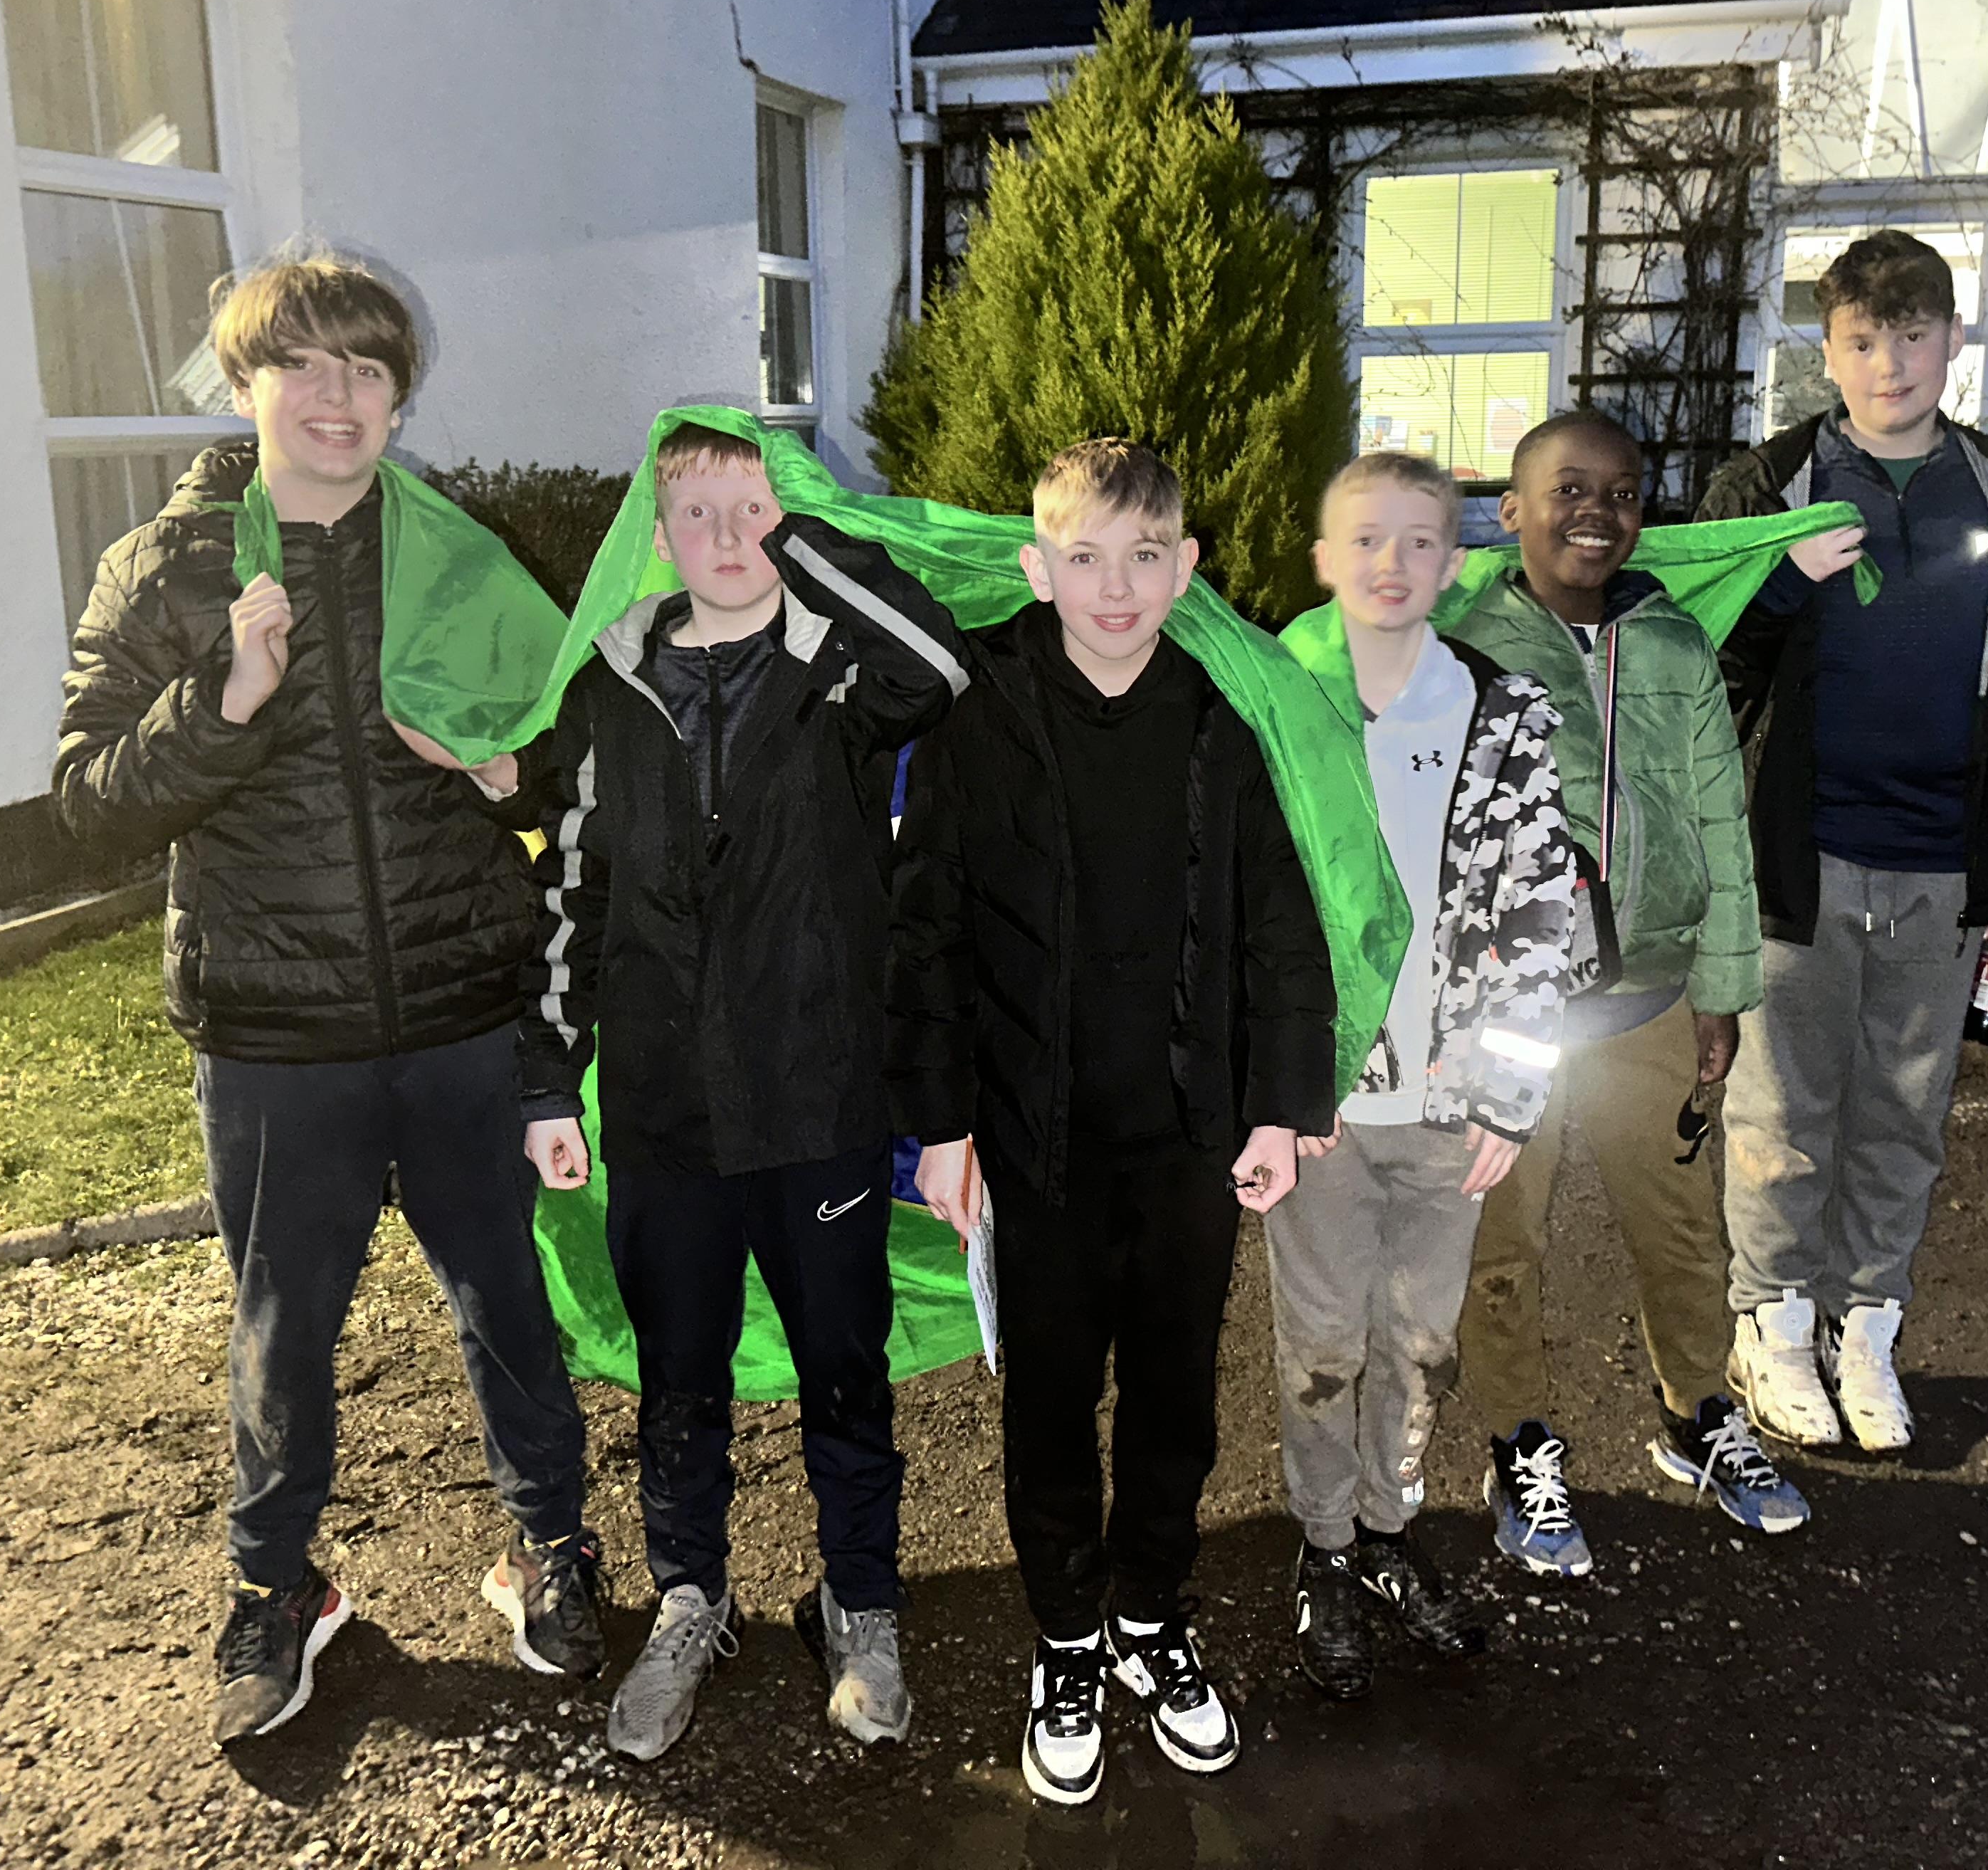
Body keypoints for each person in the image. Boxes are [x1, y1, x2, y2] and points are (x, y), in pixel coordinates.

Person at [52, 249, 598, 1743]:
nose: (337, 395)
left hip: (463, 1013)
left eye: (367, 367)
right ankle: (276, 1582)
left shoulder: (458, 558)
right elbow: (88, 801)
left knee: (509, 1305)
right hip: (275, 1036)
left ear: (399, 396)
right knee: (282, 1331)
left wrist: (510, 769)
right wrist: (222, 702)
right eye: (301, 363)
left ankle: (551, 1544)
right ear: (245, 384)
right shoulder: (168, 571)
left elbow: (568, 753)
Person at [519, 421, 969, 1761]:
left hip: (817, 1103)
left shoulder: (845, 672)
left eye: (753, 507)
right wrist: (548, 1081)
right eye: (698, 513)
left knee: (844, 1370)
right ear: (657, 537)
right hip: (665, 1113)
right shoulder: (609, 689)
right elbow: (572, 891)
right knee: (678, 1380)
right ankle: (688, 1598)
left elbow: (941, 666)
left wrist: (808, 542)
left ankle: (861, 1602)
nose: (728, 536)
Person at [897, 439, 1337, 1807]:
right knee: (1046, 1397)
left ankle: (1147, 1613)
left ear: (1185, 565)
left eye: (1146, 555)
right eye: (1082, 556)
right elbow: (928, 928)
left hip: (1188, 1135)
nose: (1115, 585)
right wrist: (940, 1124)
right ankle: (1066, 1637)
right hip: (1035, 1140)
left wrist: (1283, 1103)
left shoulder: (1224, 711)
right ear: (1037, 568)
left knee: (1173, 1393)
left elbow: (1280, 913)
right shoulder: (978, 713)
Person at [1695, 227, 1988, 1455]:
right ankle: (1771, 1324)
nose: (1891, 365)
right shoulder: (1770, 486)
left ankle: (1865, 1325)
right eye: (1863, 340)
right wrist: (1782, 579)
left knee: (1905, 1114)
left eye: (1913, 335)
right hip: (1795, 862)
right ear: (1828, 348)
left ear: (1954, 337)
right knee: (1780, 1114)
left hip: (1945, 868)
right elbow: (1696, 669)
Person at [1447, 409, 1811, 1562]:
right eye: (1568, 489)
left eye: (1620, 492)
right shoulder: (1462, 647)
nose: (1596, 512)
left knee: (1684, 1232)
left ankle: (1699, 1412)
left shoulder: (1673, 647)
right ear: (1512, 510)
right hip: (1512, 1022)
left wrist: (1722, 989)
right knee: (1502, 1245)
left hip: (1651, 1002)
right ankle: (1519, 1441)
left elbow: (1719, 825)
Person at [1268, 451, 1575, 1698]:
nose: (1390, 563)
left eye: (1417, 541)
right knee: (1321, 1339)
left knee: (1420, 1336)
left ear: (1454, 564)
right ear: (1323, 560)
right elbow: (1253, 911)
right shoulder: (1284, 707)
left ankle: (1389, 1528)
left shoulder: (1501, 716)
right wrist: (1280, 1086)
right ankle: (1324, 1546)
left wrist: (1507, 1093)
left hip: (1450, 1113)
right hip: (1324, 1113)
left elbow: (1539, 910)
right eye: (1364, 538)